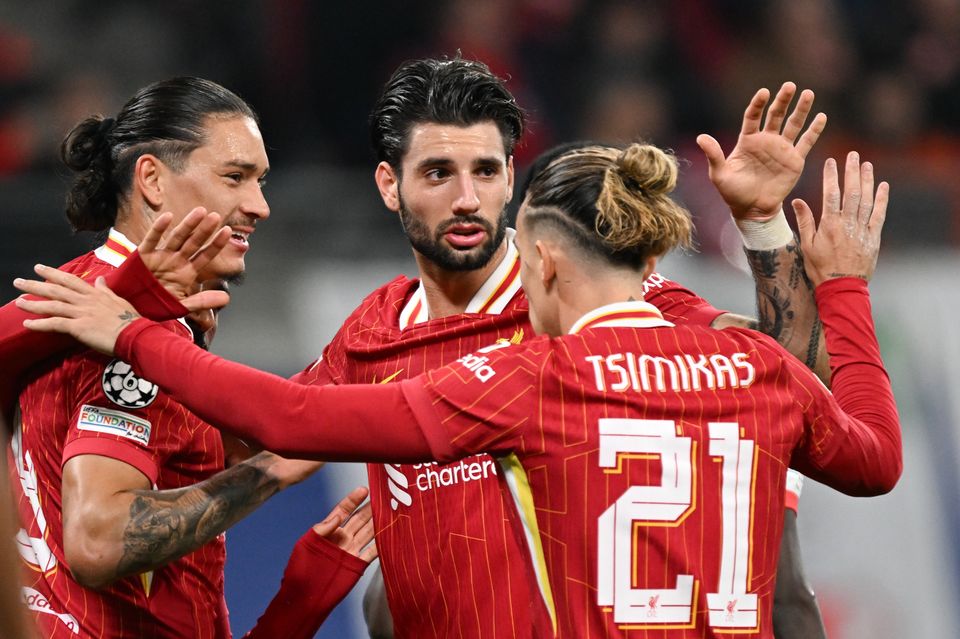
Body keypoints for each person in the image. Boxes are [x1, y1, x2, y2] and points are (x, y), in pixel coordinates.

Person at [2, 60, 828, 636]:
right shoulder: (368, 339)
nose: (467, 197)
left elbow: (793, 390)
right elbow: (236, 444)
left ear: (514, 179)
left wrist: (762, 227)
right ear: (389, 185)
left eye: (487, 170)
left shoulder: (600, 306)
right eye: (438, 172)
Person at [3, 76, 375, 638]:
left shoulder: (99, 303)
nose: (260, 206)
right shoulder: (126, 329)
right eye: (235, 177)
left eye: (262, 180)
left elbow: (195, 454)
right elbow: (100, 540)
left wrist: (304, 597)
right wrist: (268, 472)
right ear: (152, 179)